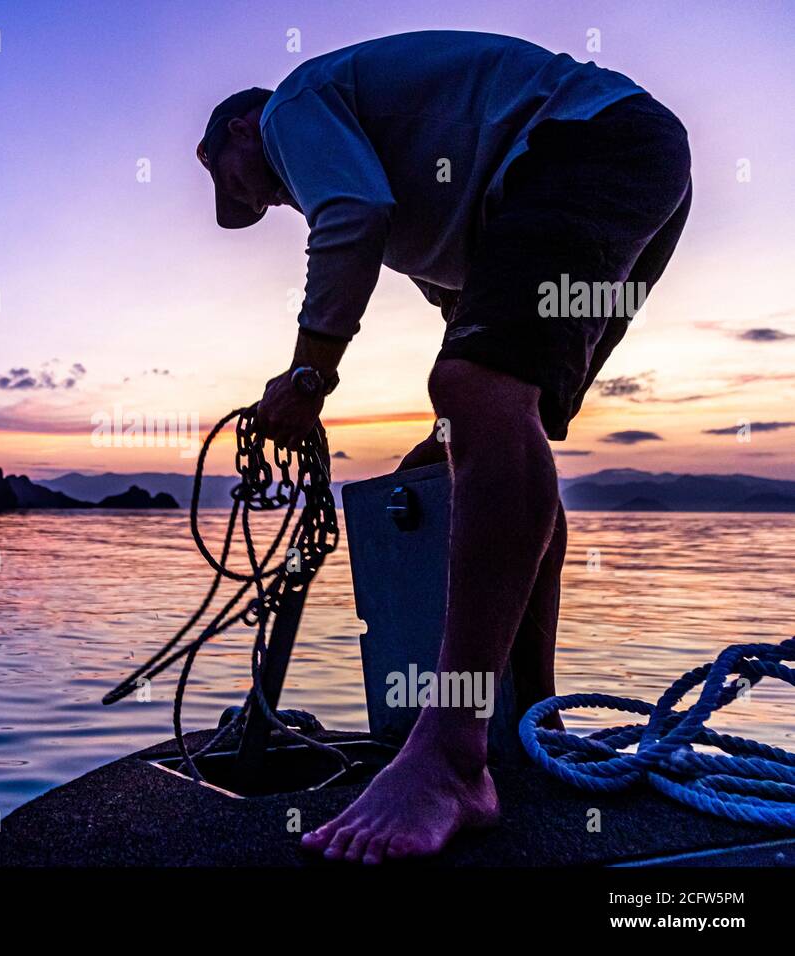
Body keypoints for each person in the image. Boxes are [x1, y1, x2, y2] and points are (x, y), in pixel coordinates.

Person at [196, 30, 691, 864]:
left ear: (237, 133)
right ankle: (533, 718)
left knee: (476, 394)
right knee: (491, 415)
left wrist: (308, 376)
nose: (264, 201)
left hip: (585, 143)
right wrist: (451, 429)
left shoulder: (290, 107)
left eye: (227, 178)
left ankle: (452, 755)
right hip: (629, 167)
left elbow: (352, 215)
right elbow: (465, 319)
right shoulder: (419, 181)